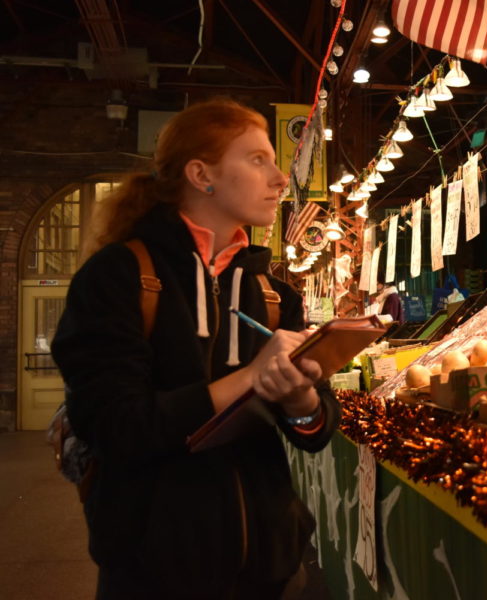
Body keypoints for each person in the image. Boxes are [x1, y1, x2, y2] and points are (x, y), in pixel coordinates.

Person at [50, 98, 340, 599]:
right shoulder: (117, 279)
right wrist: (249, 378)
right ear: (201, 174)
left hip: (270, 569)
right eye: (257, 159)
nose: (278, 178)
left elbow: (314, 434)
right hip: (154, 573)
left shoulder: (272, 295)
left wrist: (301, 401)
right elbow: (119, 427)